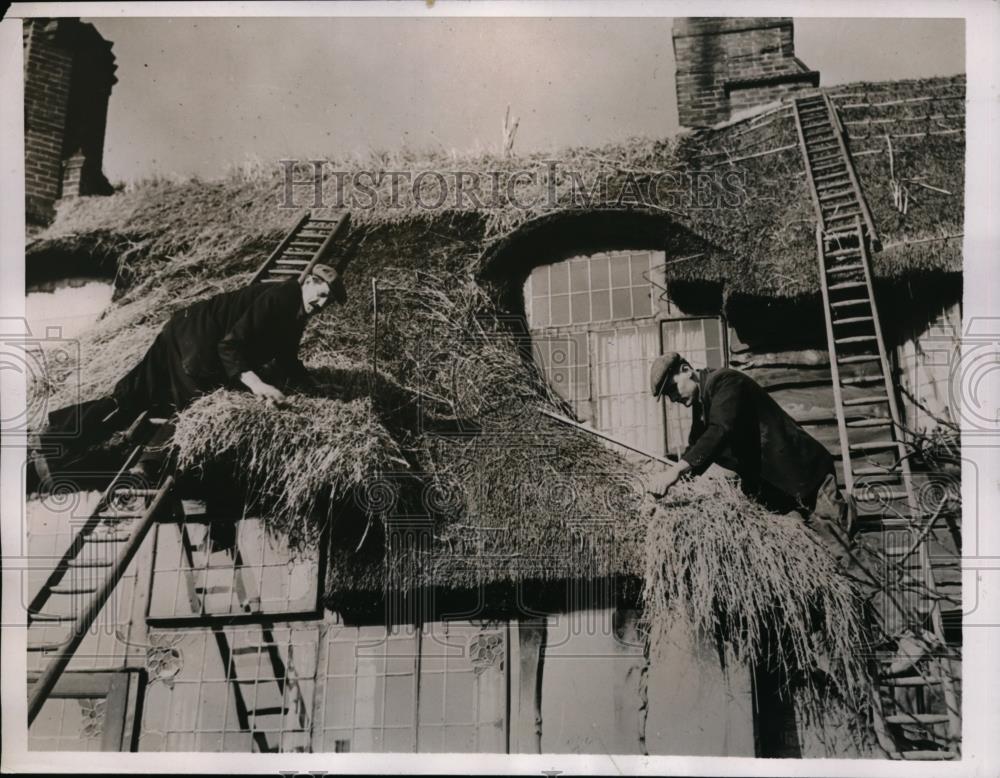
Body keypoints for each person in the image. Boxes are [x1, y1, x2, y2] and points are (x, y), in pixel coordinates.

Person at [646, 352, 935, 676]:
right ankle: (864, 643)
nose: (674, 400)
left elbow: (720, 432)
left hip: (806, 480)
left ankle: (912, 636)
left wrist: (677, 471)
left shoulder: (726, 383)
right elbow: (697, 449)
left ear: (686, 370)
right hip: (785, 497)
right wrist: (674, 479)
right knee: (807, 564)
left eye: (673, 391)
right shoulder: (702, 407)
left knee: (844, 554)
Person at [45, 264, 347, 478]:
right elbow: (231, 346)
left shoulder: (294, 311)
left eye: (327, 302)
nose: (321, 305)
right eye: (320, 295)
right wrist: (257, 385)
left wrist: (316, 386)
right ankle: (149, 466)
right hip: (199, 344)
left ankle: (59, 434)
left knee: (133, 395)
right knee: (196, 405)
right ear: (308, 282)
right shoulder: (281, 298)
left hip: (181, 328)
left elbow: (286, 358)